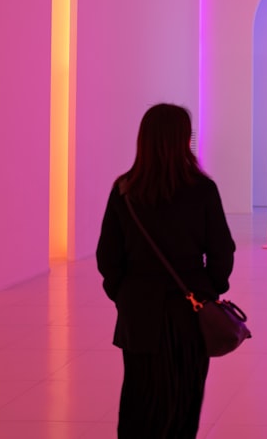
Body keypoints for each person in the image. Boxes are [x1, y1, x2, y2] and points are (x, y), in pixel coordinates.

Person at [97, 103, 236, 438]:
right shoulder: (202, 190)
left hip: (138, 311)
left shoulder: (124, 189)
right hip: (190, 311)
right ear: (182, 141)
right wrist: (208, 290)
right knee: (184, 399)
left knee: (138, 397)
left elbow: (108, 257)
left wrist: (124, 294)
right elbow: (222, 251)